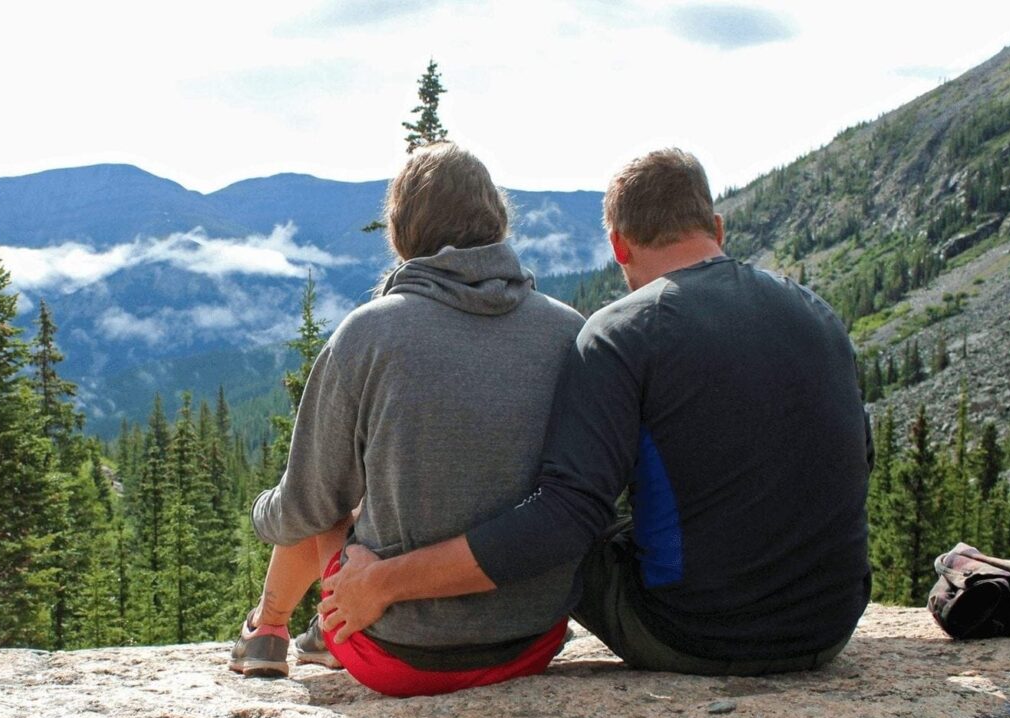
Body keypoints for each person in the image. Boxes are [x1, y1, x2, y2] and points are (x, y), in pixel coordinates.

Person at [320, 148, 872, 676]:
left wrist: (384, 582)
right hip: (829, 626)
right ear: (718, 229)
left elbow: (565, 519)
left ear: (619, 246)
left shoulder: (624, 332)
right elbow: (855, 461)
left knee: (569, 519)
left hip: (691, 633)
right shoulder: (816, 313)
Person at [229, 142, 586, 697]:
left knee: (333, 492)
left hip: (398, 654)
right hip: (531, 642)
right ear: (497, 220)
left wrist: (261, 512)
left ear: (401, 234)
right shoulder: (568, 330)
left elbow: (309, 504)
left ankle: (270, 628)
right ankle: (301, 629)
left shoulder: (369, 334)